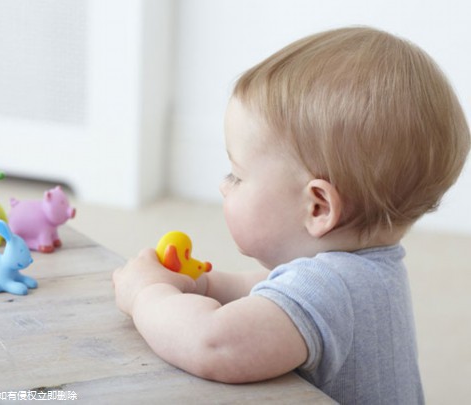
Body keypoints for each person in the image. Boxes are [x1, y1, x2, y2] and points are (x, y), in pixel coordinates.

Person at [112, 26, 470, 404]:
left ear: (317, 207)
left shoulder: (332, 288)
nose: (223, 185)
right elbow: (269, 288)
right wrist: (204, 285)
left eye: (237, 175)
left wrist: (147, 294)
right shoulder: (367, 271)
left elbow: (213, 344)